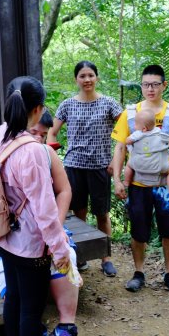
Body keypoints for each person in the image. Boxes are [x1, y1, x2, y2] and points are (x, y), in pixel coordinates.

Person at [0, 110, 84, 336]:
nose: (38, 138)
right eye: (34, 132)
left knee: (18, 303)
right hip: (24, 243)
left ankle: (61, 329)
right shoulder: (27, 153)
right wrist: (56, 244)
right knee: (29, 309)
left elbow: (62, 193)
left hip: (5, 239)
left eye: (43, 134)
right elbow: (43, 210)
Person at [0, 76, 70, 336]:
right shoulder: (32, 151)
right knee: (31, 311)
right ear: (39, 109)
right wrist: (61, 249)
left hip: (2, 234)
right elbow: (44, 209)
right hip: (30, 245)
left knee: (14, 300)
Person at [111, 64, 169, 293]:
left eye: (155, 84)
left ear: (163, 85)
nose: (150, 89)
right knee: (139, 231)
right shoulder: (130, 114)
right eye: (146, 84)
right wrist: (118, 180)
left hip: (165, 184)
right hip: (138, 184)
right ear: (141, 85)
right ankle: (138, 272)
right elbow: (120, 148)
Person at [47, 61, 123, 277]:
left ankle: (106, 258)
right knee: (78, 212)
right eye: (82, 76)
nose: (87, 79)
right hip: (74, 166)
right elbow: (52, 132)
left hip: (101, 166)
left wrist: (116, 161)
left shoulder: (109, 103)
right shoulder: (68, 105)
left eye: (90, 75)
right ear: (76, 79)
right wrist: (55, 160)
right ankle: (79, 255)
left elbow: (125, 131)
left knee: (102, 213)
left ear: (96, 78)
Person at [123, 108, 169, 192]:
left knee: (129, 166)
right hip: (159, 165)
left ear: (144, 128)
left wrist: (129, 139)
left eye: (136, 124)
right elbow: (168, 142)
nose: (134, 126)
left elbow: (127, 141)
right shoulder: (160, 133)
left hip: (138, 163)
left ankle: (126, 182)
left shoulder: (137, 134)